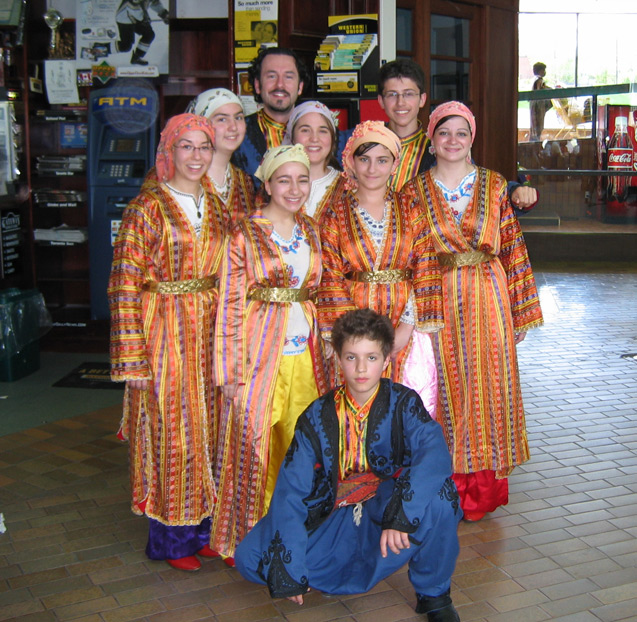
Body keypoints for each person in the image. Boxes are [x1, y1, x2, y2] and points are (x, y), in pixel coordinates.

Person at [235, 308, 462, 622]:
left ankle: (433, 594)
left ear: (386, 361)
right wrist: (289, 566)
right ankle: (323, 571)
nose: (361, 368)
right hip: (332, 510)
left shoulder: (405, 403)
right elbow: (291, 489)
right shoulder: (316, 415)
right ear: (338, 359)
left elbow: (434, 454)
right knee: (249, 558)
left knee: (441, 499)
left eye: (371, 358)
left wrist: (402, 516)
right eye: (351, 357)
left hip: (384, 509)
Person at [400, 101, 544, 521]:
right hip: (436, 298)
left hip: (489, 297)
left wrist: (520, 312)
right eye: (444, 132)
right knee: (443, 391)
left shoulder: (496, 185)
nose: (453, 140)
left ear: (472, 139)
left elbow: (514, 248)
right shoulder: (413, 191)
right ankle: (446, 485)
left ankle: (482, 490)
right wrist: (415, 315)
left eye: (462, 133)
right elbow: (411, 255)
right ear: (431, 139)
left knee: (489, 388)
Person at [108, 114, 226, 571]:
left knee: (213, 428)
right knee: (172, 431)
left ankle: (207, 527)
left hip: (211, 331)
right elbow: (123, 284)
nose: (196, 156)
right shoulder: (147, 207)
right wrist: (132, 358)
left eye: (204, 147)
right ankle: (173, 537)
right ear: (169, 151)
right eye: (187, 147)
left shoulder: (217, 205)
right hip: (164, 331)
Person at [212, 144, 329, 566]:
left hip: (307, 356)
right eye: (285, 179)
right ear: (268, 184)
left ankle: (296, 532)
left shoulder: (312, 230)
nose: (294, 188)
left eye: (302, 179)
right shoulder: (244, 232)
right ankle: (245, 538)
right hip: (258, 357)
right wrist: (227, 370)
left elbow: (321, 291)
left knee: (303, 448)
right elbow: (228, 303)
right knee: (253, 446)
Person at [317, 121, 439, 417]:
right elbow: (330, 276)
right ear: (351, 162)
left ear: (394, 164)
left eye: (382, 160)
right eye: (364, 159)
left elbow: (424, 266)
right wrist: (355, 337)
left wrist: (406, 328)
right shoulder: (333, 214)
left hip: (404, 323)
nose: (373, 168)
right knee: (355, 405)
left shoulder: (411, 208)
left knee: (404, 404)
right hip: (352, 322)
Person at [377, 58, 538, 212]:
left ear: (422, 99)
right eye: (392, 94)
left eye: (409, 94)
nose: (400, 102)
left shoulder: (439, 147)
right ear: (381, 101)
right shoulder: (360, 142)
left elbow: (475, 181)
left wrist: (515, 192)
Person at [232, 47, 309, 181]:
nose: (280, 84)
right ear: (257, 85)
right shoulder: (236, 133)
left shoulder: (320, 134)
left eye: (288, 77)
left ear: (300, 87)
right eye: (271, 76)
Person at [186, 88, 255, 226]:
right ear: (200, 124)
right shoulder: (177, 175)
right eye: (222, 119)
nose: (233, 127)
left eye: (238, 118)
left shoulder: (244, 181)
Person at [283, 100, 345, 222]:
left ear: (332, 139)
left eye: (322, 131)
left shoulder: (348, 187)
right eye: (305, 130)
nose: (314, 139)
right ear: (292, 136)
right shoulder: (276, 183)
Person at [115, 0, 169, 66]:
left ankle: (137, 57)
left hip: (136, 16)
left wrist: (164, 14)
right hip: (125, 17)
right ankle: (101, 48)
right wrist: (143, 18)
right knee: (126, 46)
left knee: (149, 34)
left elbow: (154, 2)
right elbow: (131, 6)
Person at [530, 62, 552, 141]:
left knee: (534, 127)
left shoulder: (535, 80)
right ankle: (535, 143)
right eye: (543, 70)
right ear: (540, 71)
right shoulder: (539, 80)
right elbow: (540, 90)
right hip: (538, 107)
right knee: (537, 127)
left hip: (535, 106)